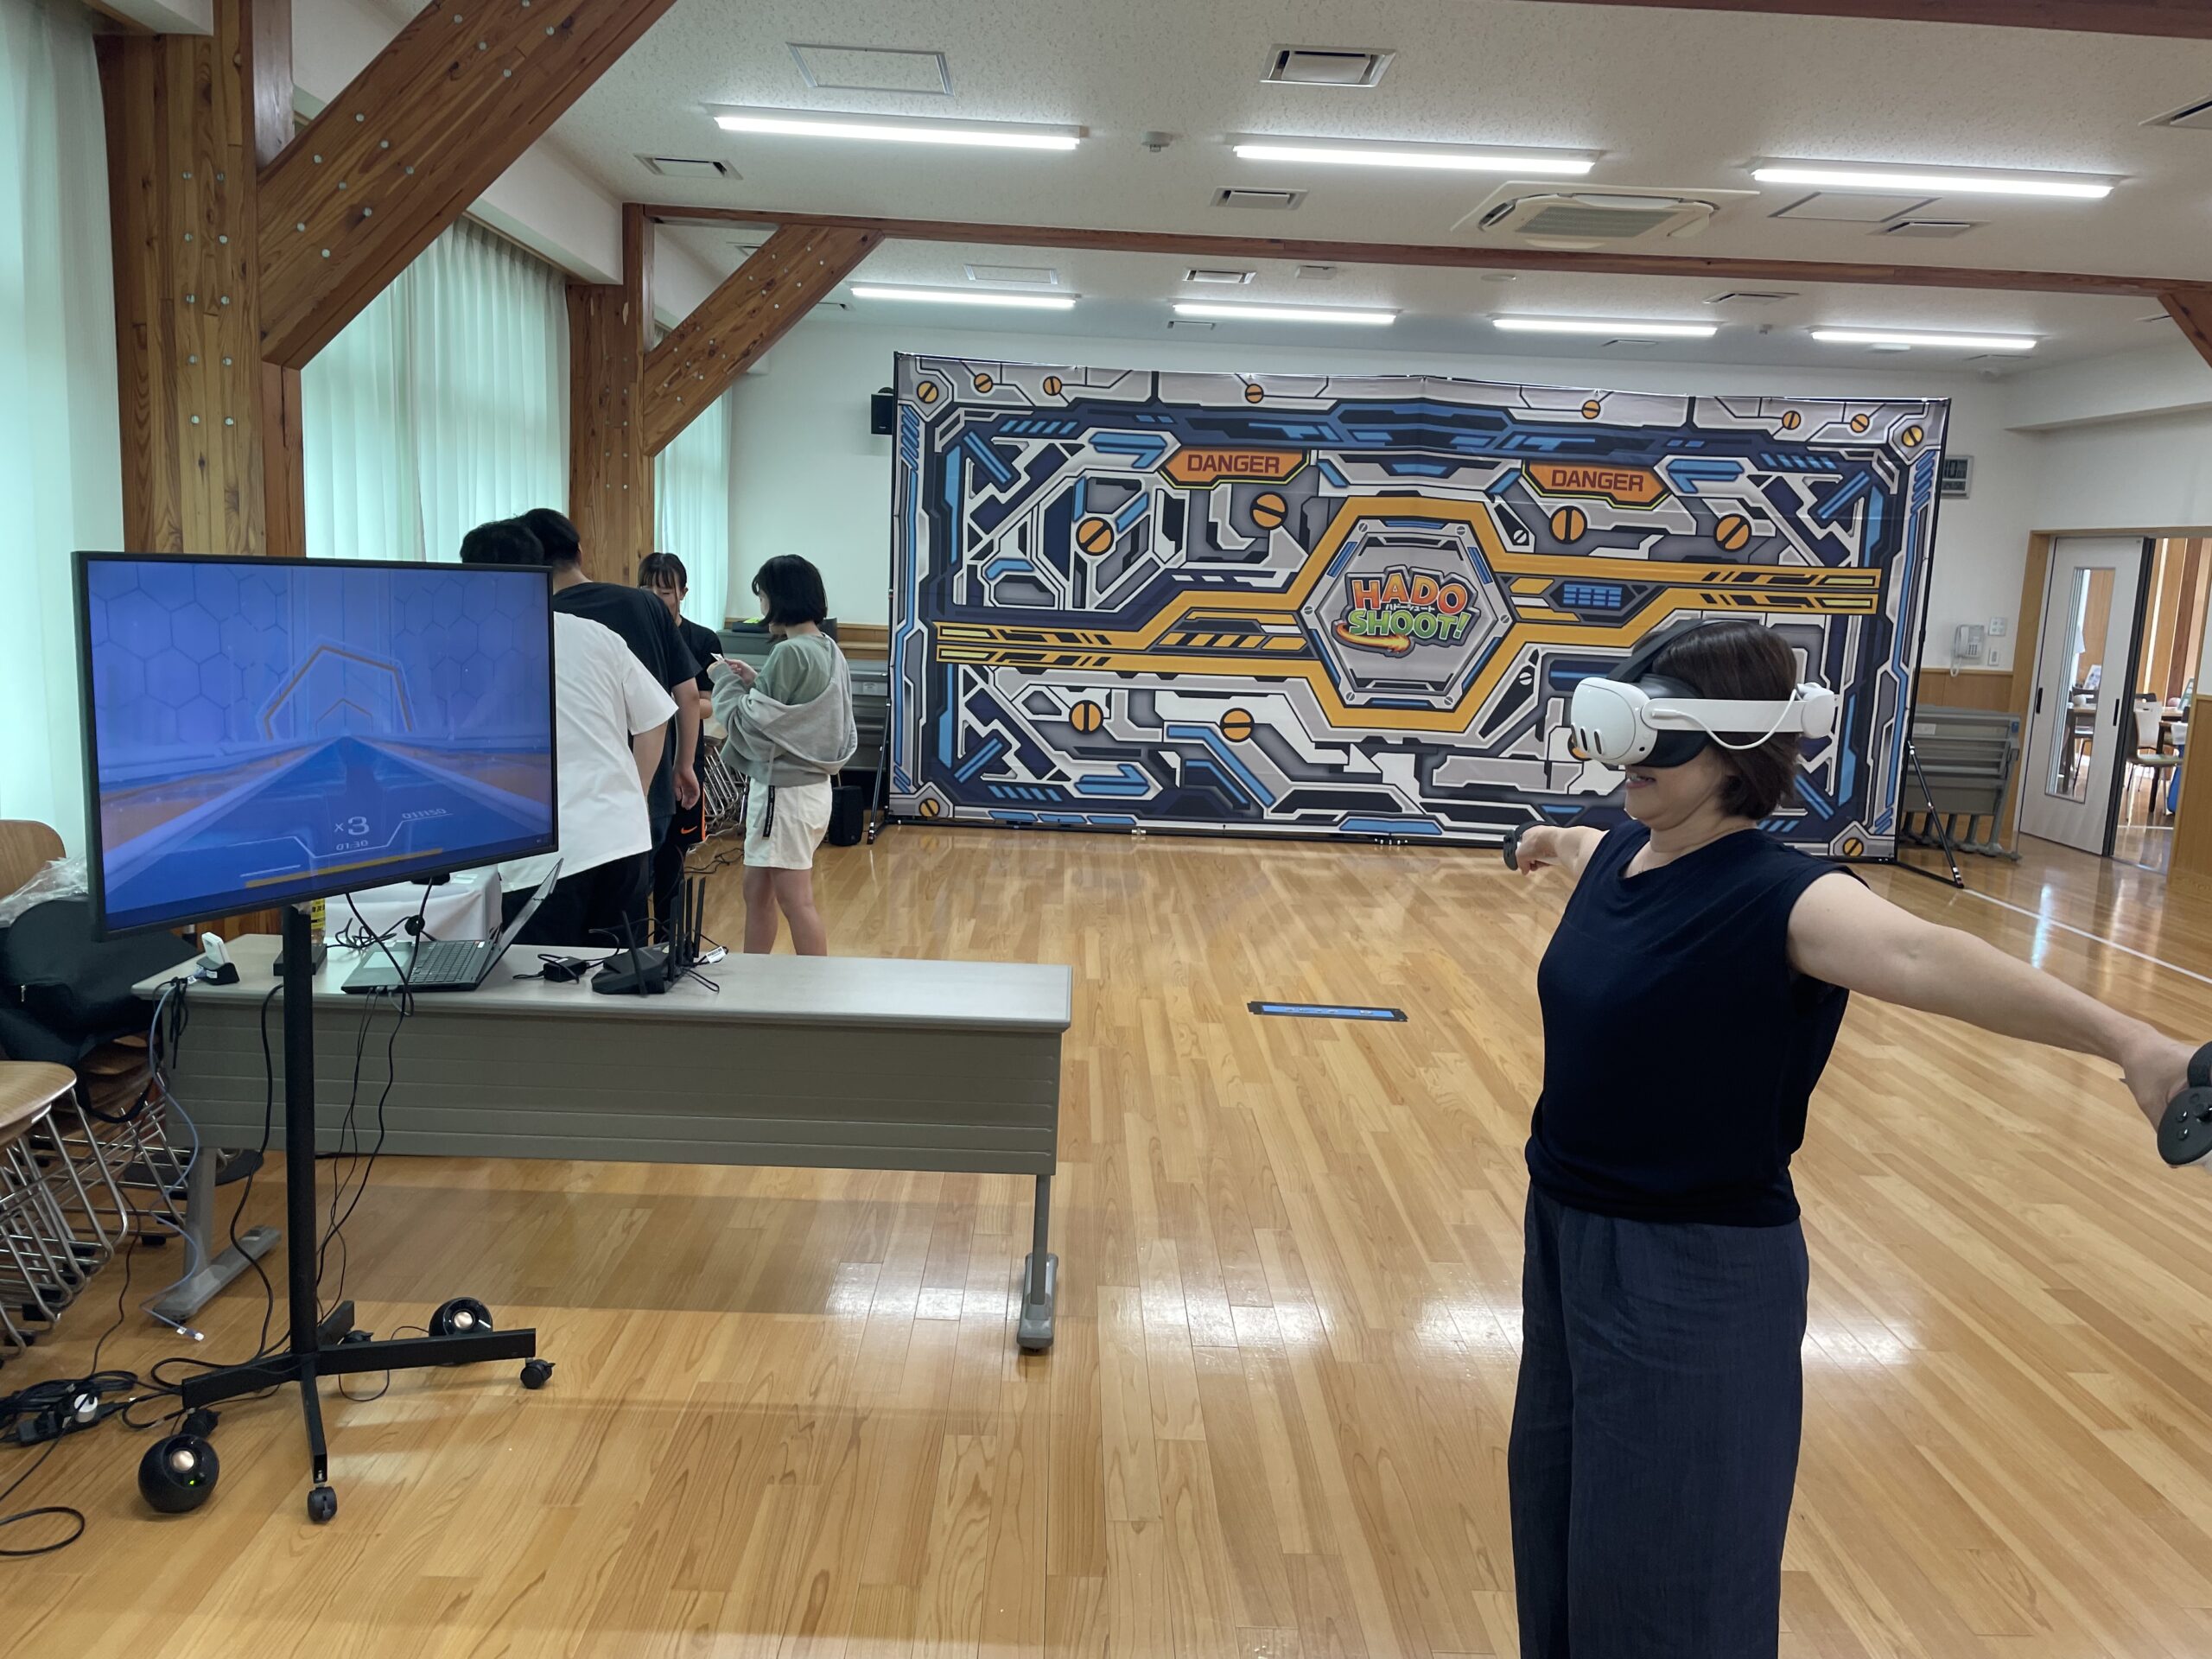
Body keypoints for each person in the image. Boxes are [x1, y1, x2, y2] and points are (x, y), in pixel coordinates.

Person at [1505, 619, 2194, 1659]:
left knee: (1672, 1568)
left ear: (1736, 751)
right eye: (1620, 734)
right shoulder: (1618, 858)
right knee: (1558, 1518)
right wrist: (1538, 842)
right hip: (1564, 1235)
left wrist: (2128, 1042)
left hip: (1693, 1269)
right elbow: (1574, 848)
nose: (1626, 763)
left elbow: (1924, 957)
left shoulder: (1788, 898)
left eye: (1656, 741)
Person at [460, 519, 675, 948]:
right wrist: (634, 793)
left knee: (539, 983)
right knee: (617, 976)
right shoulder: (594, 634)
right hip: (622, 838)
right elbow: (656, 718)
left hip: (543, 855)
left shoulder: (477, 651)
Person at [516, 508, 704, 945]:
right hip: (642, 792)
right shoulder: (643, 604)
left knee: (557, 950)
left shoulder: (538, 620)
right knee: (630, 932)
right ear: (581, 552)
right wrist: (683, 765)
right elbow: (687, 696)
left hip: (565, 812)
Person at [708, 556, 855, 956]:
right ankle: (755, 976)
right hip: (807, 790)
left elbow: (750, 724)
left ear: (780, 598)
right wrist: (754, 680)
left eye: (763, 597)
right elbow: (795, 711)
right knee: (756, 889)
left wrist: (723, 681)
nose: (761, 606)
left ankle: (812, 986)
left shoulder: (790, 653)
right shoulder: (827, 648)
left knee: (795, 899)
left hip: (785, 793)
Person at [638, 551, 725, 938]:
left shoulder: (701, 638)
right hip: (641, 756)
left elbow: (708, 703)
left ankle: (669, 943)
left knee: (673, 858)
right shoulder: (629, 633)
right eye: (648, 590)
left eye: (666, 591)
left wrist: (670, 704)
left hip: (682, 755)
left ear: (683, 593)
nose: (658, 598)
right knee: (636, 862)